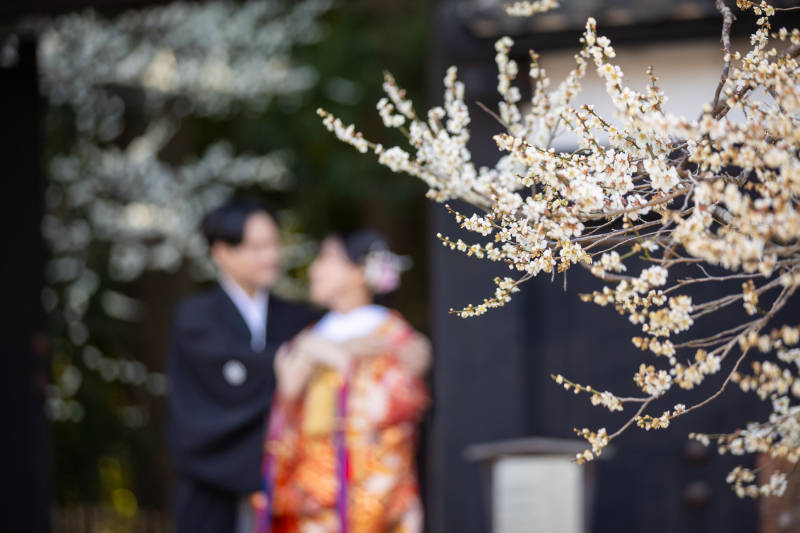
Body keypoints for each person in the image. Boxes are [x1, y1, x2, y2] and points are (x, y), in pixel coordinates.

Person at [259, 229, 431, 533]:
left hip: (365, 500)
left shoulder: (391, 336)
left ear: (359, 271)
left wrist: (338, 360)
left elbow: (393, 413)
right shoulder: (311, 338)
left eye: (325, 258)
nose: (314, 270)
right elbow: (285, 416)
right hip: (308, 500)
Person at [166, 198, 321, 533]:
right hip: (209, 492)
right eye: (258, 247)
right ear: (222, 252)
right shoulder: (196, 317)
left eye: (275, 243)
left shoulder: (299, 319)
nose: (273, 255)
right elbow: (226, 378)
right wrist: (284, 363)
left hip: (289, 492)